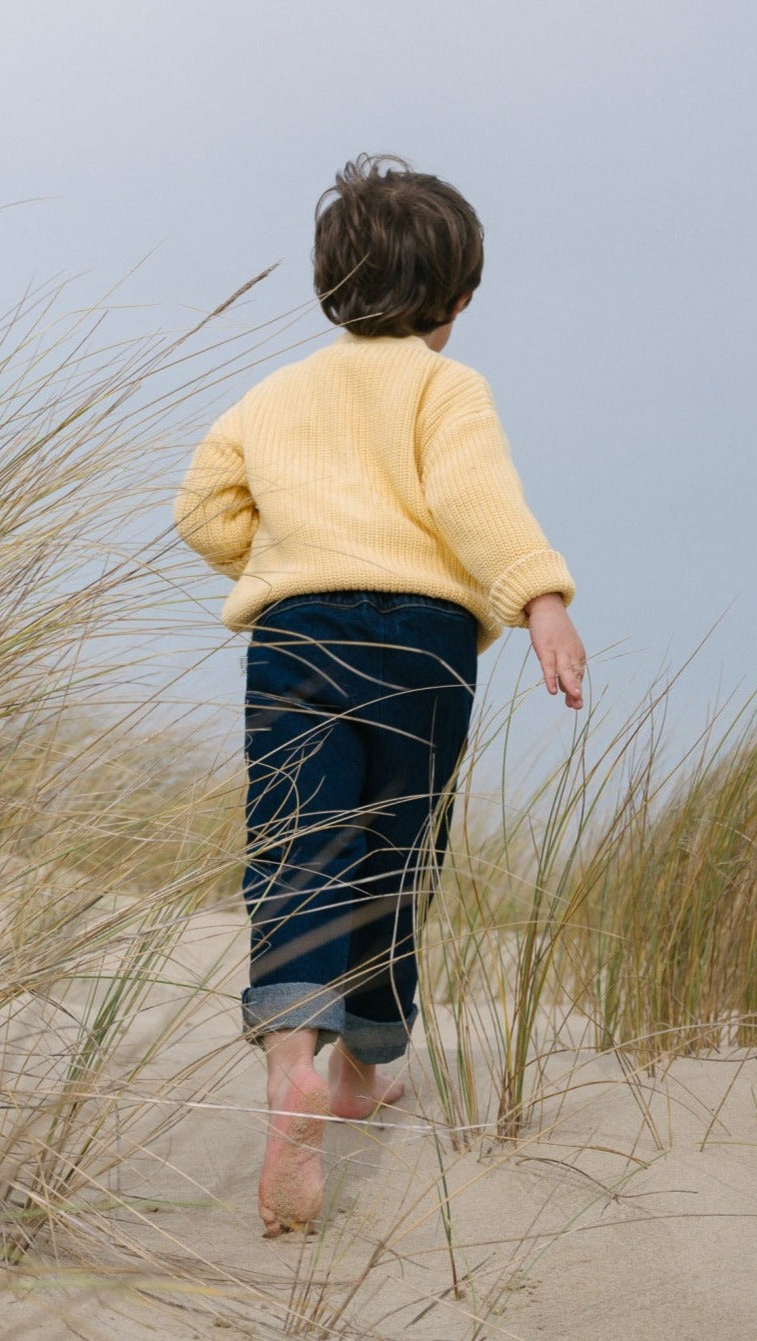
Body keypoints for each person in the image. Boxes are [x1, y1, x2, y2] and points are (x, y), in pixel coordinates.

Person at [174, 154, 585, 1237]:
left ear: (331, 288)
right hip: (425, 644)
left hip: (298, 633)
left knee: (301, 844)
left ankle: (293, 1072)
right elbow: (470, 495)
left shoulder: (274, 394)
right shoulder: (447, 388)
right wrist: (539, 597)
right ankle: (363, 1063)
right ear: (457, 300)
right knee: (394, 850)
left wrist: (276, 549)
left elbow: (202, 505)